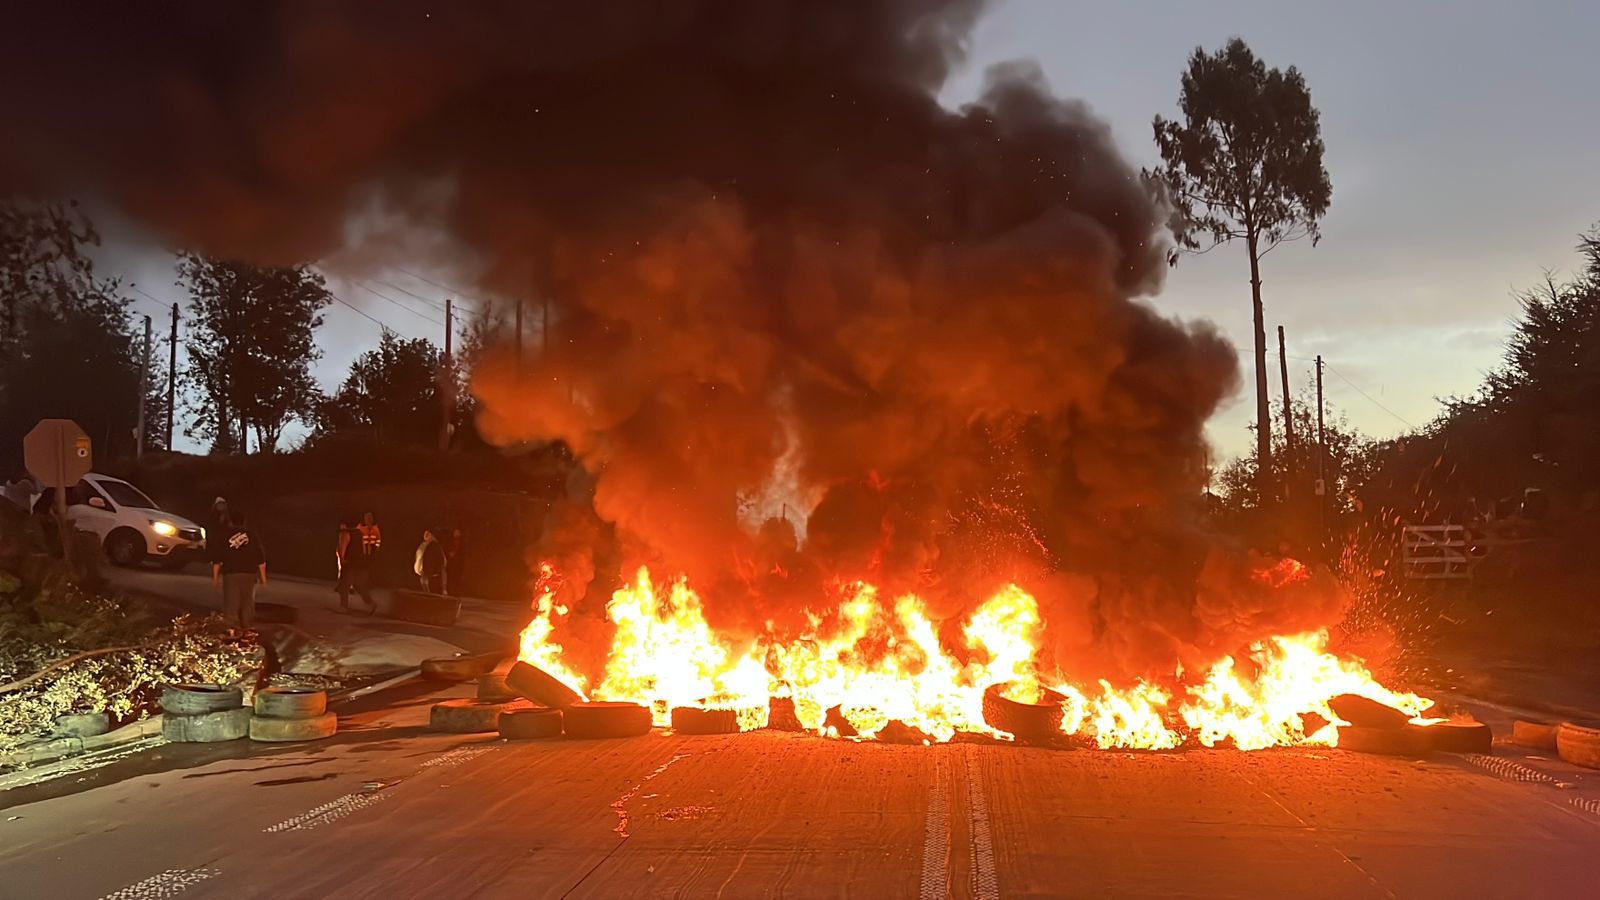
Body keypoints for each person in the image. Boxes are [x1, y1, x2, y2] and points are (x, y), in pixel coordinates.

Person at [213, 510, 265, 628]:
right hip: (249, 573)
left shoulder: (224, 535)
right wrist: (263, 578)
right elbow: (261, 558)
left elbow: (217, 560)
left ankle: (232, 629)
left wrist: (215, 578)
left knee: (231, 602)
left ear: (230, 521)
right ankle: (247, 627)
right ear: (244, 522)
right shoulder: (252, 534)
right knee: (247, 601)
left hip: (231, 573)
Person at [339, 511, 380, 614]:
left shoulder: (345, 533)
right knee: (359, 585)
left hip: (350, 563)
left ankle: (343, 606)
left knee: (344, 585)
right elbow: (364, 548)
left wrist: (342, 559)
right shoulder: (359, 533)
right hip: (360, 563)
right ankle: (371, 604)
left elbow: (342, 547)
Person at [415, 528, 446, 593]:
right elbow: (419, 555)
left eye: (428, 534)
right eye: (425, 534)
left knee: (429, 587)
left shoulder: (434, 545)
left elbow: (440, 559)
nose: (425, 535)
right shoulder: (423, 544)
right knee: (423, 585)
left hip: (430, 571)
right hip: (422, 569)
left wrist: (436, 570)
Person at [444, 528, 465, 595]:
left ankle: (454, 592)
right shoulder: (454, 541)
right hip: (455, 562)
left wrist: (451, 554)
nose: (454, 533)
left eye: (456, 532)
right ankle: (453, 591)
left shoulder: (458, 541)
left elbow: (454, 551)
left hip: (455, 562)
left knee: (454, 577)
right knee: (453, 577)